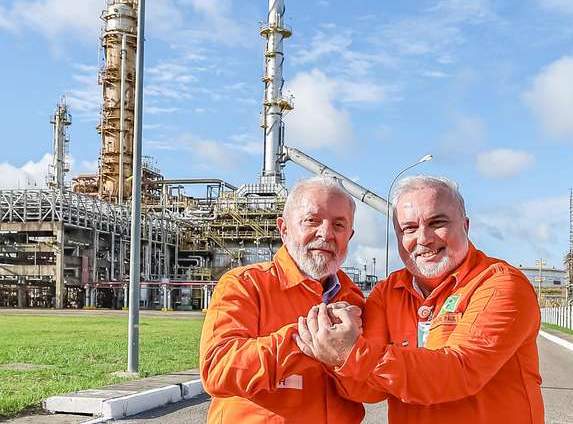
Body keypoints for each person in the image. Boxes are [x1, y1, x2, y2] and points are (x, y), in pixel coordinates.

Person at [296, 175, 545, 423]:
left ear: (465, 226)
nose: (424, 239)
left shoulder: (500, 284)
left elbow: (461, 372)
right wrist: (331, 344)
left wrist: (351, 352)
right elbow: (368, 390)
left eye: (437, 222)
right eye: (409, 228)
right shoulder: (388, 292)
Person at [199, 176, 366, 424]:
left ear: (349, 237)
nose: (326, 233)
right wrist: (306, 339)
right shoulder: (245, 285)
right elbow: (218, 369)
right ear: (284, 229)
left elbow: (368, 388)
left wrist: (346, 357)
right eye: (312, 220)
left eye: (339, 225)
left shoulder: (354, 301)